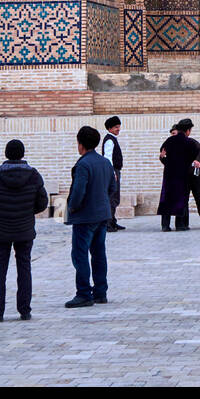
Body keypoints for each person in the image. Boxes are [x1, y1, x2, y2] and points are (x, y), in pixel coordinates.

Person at [0, 139, 49, 322]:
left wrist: (0, 213)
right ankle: (24, 310)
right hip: (25, 228)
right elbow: (42, 202)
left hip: (1, 229)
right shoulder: (34, 176)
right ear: (22, 153)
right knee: (24, 268)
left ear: (6, 154)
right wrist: (27, 212)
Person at [65, 125, 117, 307]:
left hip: (85, 217)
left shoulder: (83, 164)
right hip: (102, 215)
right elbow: (112, 188)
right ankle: (100, 292)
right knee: (98, 254)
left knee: (80, 255)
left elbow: (79, 191)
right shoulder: (105, 163)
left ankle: (84, 293)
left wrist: (72, 207)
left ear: (81, 145)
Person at [158, 118, 200, 231]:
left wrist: (166, 163)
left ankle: (165, 225)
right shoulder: (190, 142)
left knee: (167, 199)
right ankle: (181, 225)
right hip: (183, 175)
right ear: (188, 130)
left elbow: (163, 155)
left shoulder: (168, 141)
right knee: (182, 199)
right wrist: (197, 161)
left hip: (169, 175)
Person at [103, 116, 126, 232]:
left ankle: (113, 221)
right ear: (110, 128)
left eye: (119, 127)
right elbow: (107, 158)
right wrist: (112, 173)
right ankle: (108, 224)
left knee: (114, 197)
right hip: (113, 172)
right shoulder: (109, 141)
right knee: (112, 197)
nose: (118, 129)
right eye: (116, 127)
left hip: (115, 171)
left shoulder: (112, 139)